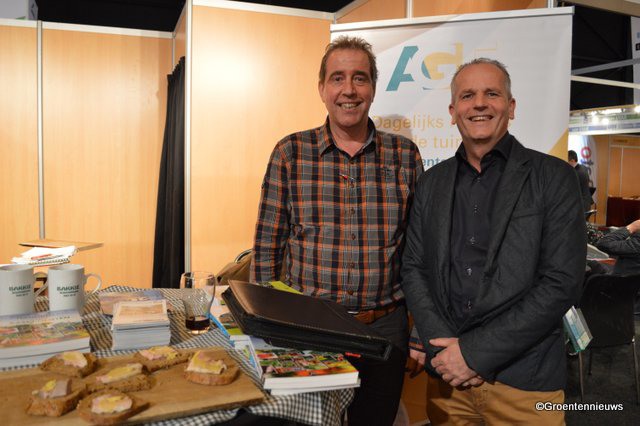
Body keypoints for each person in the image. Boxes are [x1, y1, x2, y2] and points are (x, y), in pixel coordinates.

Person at [401, 58, 586, 424]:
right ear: (453, 112)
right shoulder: (431, 183)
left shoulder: (554, 178)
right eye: (467, 95)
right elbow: (414, 268)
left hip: (525, 382)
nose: (480, 103)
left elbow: (561, 282)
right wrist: (445, 350)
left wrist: (472, 354)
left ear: (511, 107)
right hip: (448, 381)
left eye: (492, 93)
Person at [251, 36, 423, 426]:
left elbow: (419, 252)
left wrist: (421, 329)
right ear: (322, 89)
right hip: (308, 328)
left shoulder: (404, 156)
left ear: (373, 88)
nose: (349, 90)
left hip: (384, 330)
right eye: (338, 78)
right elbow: (266, 250)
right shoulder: (290, 153)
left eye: (360, 78)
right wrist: (264, 330)